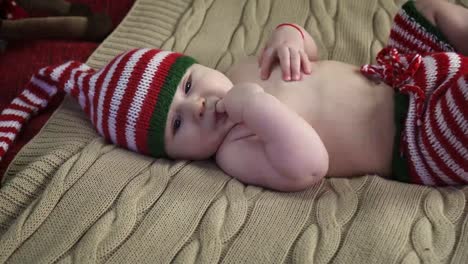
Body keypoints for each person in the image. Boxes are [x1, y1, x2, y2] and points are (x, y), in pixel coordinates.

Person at [0, 0, 466, 192]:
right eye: (178, 125)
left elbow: (309, 53)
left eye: (186, 87)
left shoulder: (241, 69)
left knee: (426, 8)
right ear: (173, 155)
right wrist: (258, 108)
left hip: (406, 75)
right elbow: (309, 165)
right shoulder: (236, 152)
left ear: (194, 66)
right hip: (420, 139)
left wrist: (289, 36)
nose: (197, 106)